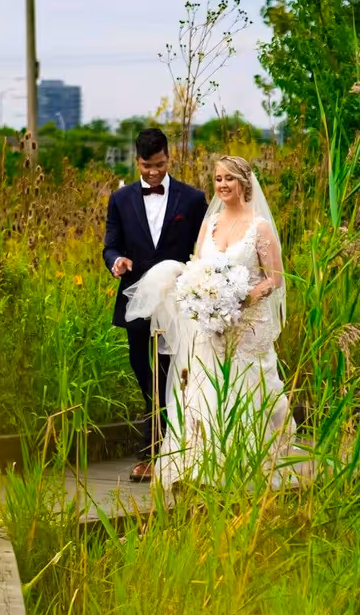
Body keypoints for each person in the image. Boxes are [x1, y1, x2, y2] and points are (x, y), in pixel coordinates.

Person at [123, 154, 295, 490]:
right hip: (210, 326)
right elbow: (198, 265)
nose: (223, 185)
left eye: (229, 179)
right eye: (218, 179)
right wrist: (201, 295)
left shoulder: (258, 227)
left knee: (249, 387)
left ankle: (251, 459)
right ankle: (202, 466)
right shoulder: (211, 221)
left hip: (246, 326)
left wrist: (243, 298)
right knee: (203, 390)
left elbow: (274, 278)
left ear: (244, 182)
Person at [103, 128, 208, 482]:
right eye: (147, 166)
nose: (153, 172)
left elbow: (205, 249)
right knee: (144, 375)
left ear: (169, 158)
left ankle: (156, 454)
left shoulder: (193, 200)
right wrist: (116, 261)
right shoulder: (120, 200)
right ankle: (159, 445)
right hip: (136, 304)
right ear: (137, 161)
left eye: (159, 165)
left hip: (178, 305)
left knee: (170, 374)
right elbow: (111, 245)